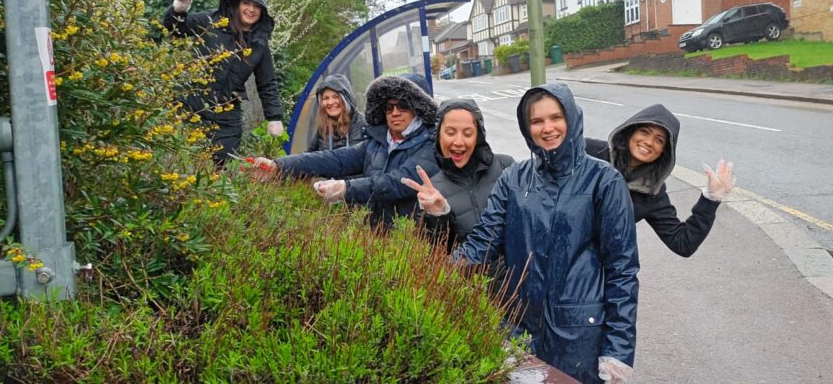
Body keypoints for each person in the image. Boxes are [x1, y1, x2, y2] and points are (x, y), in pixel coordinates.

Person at [451, 84, 638, 384]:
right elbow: (482, 243)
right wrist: (436, 274)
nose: (547, 128)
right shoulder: (514, 178)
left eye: (556, 117)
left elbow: (622, 270)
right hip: (517, 329)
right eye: (537, 121)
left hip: (579, 337)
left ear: (572, 118)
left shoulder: (604, 180)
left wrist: (619, 349)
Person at [253, 74, 438, 229]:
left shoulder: (430, 145)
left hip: (409, 239)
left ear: (418, 107)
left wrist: (345, 189)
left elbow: (396, 183)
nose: (395, 112)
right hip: (373, 233)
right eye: (389, 107)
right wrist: (280, 166)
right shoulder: (378, 142)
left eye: (403, 105)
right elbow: (336, 159)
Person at [585, 104, 736, 258]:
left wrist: (710, 199)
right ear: (631, 131)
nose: (649, 142)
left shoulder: (652, 192)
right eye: (644, 132)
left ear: (664, 151)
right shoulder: (589, 152)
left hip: (584, 267)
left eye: (659, 140)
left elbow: (683, 243)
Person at [163, 0, 284, 165]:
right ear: (236, 4)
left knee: (222, 167)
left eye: (256, 6)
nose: (251, 9)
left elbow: (267, 83)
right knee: (178, 160)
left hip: (226, 116)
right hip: (189, 104)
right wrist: (179, 10)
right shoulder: (211, 20)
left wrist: (274, 118)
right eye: (246, 3)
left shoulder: (259, 43)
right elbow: (176, 29)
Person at [401, 99, 514, 250]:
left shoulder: (505, 166)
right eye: (450, 133)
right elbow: (436, 253)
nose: (458, 142)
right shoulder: (431, 191)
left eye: (468, 133)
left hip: (520, 271)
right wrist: (438, 216)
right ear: (438, 136)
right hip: (471, 273)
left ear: (478, 137)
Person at [306, 74, 367, 152]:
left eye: (336, 97)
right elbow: (308, 157)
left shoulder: (363, 125)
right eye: (326, 98)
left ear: (346, 99)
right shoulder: (323, 129)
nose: (330, 102)